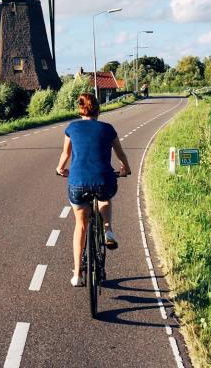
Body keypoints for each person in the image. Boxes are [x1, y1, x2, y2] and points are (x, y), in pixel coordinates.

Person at [55, 93, 131, 287]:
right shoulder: (108, 129)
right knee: (105, 198)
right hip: (104, 180)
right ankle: (108, 230)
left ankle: (77, 274)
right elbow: (120, 153)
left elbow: (66, 154)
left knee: (80, 225)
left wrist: (60, 169)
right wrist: (125, 169)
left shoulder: (71, 128)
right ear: (99, 110)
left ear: (80, 109)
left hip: (78, 182)